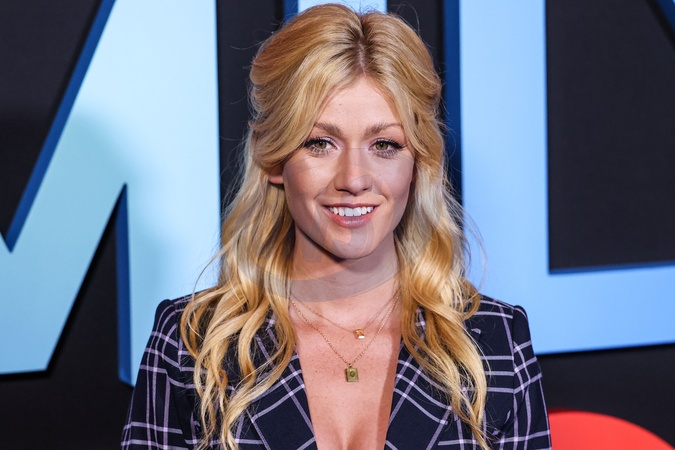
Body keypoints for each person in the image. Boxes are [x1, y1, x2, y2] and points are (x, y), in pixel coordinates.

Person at [121, 4, 551, 449]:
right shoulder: (191, 342)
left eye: (384, 145)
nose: (354, 180)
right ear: (274, 159)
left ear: (418, 162)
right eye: (320, 143)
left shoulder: (495, 342)